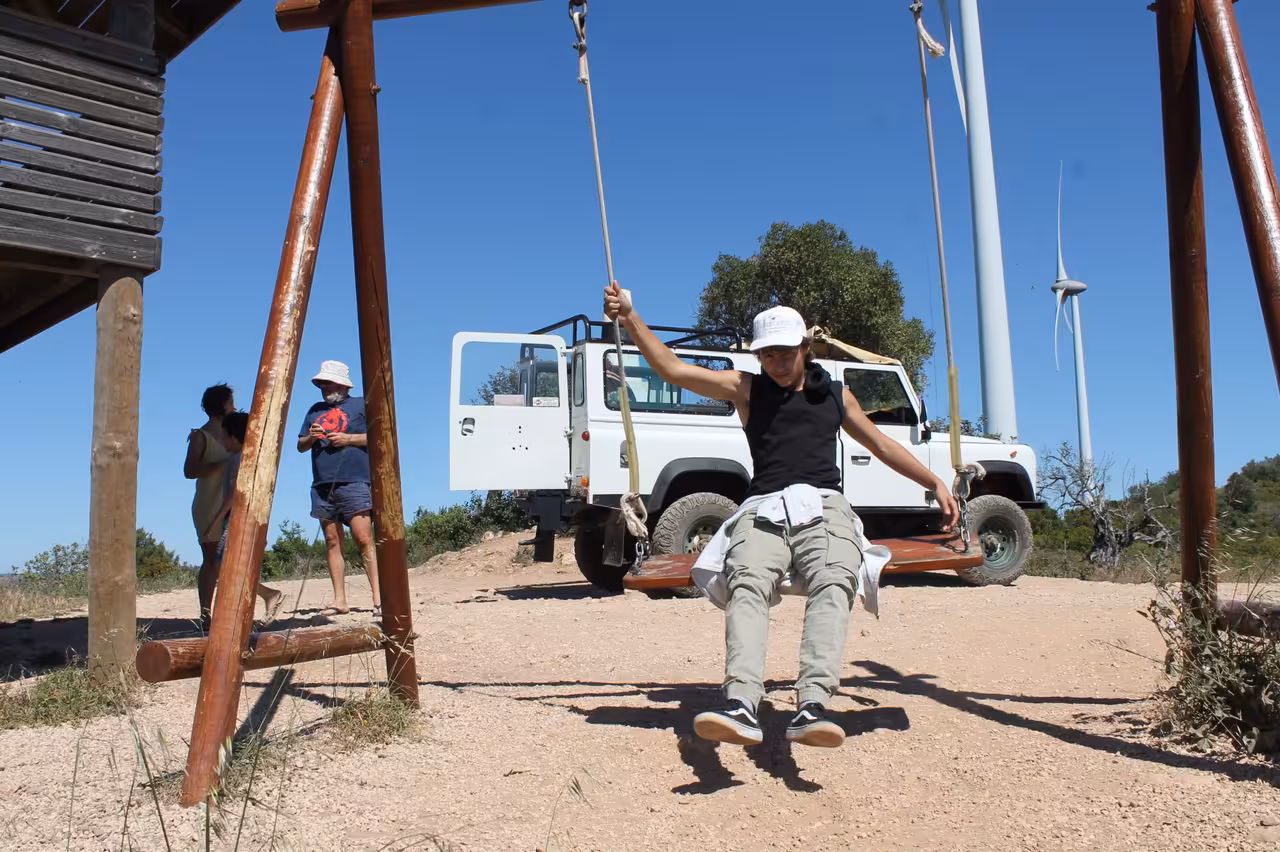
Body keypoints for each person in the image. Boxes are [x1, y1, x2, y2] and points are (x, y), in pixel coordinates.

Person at [603, 282, 959, 749]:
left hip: (824, 504)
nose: (776, 362)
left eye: (785, 352)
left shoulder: (836, 395)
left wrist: (931, 481)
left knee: (836, 578)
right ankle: (741, 704)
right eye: (767, 354)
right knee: (747, 579)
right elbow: (671, 368)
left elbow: (882, 444)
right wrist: (630, 318)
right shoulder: (745, 389)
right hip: (764, 505)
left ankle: (812, 703)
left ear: (804, 348)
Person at [296, 360, 381, 616]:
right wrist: (312, 436)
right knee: (332, 541)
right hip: (322, 485)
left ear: (343, 384)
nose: (324, 388)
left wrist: (348, 439)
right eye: (321, 383)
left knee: (363, 538)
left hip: (355, 480)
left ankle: (379, 600)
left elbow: (380, 437)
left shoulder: (362, 404)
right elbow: (301, 445)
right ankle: (339, 601)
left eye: (328, 383)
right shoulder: (314, 410)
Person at [204, 410, 285, 624]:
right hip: (251, 517)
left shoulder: (235, 459)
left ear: (233, 435)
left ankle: (265, 596)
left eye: (224, 435)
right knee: (234, 566)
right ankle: (262, 598)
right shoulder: (251, 457)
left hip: (237, 519)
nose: (222, 440)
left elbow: (233, 495)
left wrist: (214, 523)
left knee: (225, 565)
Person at [184, 383, 235, 626]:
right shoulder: (199, 436)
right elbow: (190, 471)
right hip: (208, 503)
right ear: (223, 404)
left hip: (232, 503)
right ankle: (205, 614)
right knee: (213, 558)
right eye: (231, 402)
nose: (234, 406)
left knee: (231, 556)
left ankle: (224, 612)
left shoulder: (234, 433)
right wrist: (223, 465)